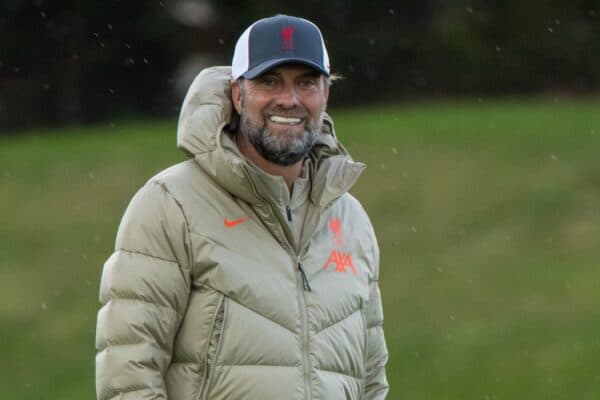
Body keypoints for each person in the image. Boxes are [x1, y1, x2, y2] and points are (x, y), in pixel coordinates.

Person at [95, 14, 388, 400]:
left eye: (306, 82)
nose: (290, 99)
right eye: (269, 81)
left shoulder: (350, 221)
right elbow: (128, 378)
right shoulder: (170, 204)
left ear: (325, 95)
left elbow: (372, 383)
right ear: (237, 94)